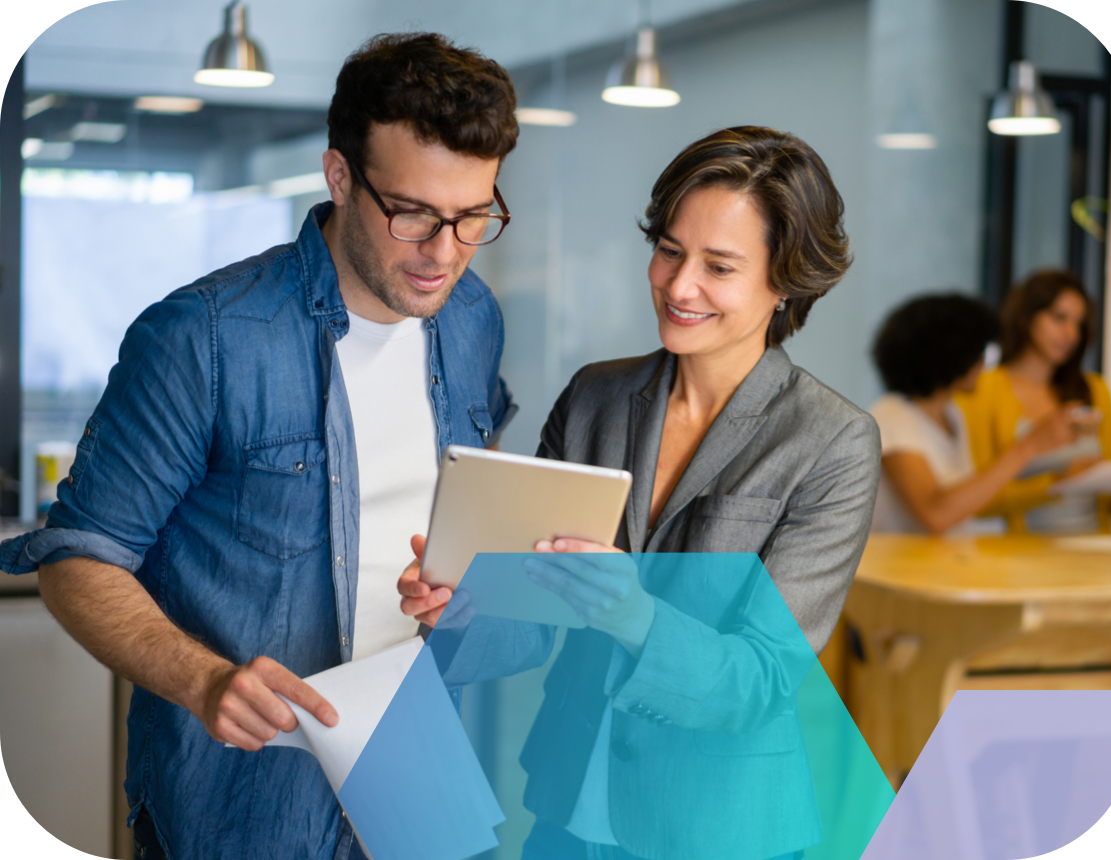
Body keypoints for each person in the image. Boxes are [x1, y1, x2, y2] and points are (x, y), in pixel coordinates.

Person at [0, 33, 519, 860]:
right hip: (245, 805)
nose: (444, 252)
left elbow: (459, 510)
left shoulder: (471, 318)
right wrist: (202, 680)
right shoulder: (202, 337)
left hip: (419, 780)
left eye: (473, 216)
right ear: (340, 176)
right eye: (414, 213)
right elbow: (76, 560)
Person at [402, 126, 882, 860]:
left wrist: (635, 614)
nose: (678, 285)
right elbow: (535, 616)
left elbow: (759, 679)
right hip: (569, 807)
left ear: (785, 281)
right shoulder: (595, 397)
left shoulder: (830, 441)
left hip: (717, 828)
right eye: (668, 250)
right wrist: (460, 610)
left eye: (719, 266)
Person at [869, 293, 1080, 534]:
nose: (983, 362)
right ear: (950, 354)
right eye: (978, 352)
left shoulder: (953, 415)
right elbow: (936, 513)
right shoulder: (892, 417)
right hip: (903, 569)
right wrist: (1029, 446)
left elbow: (968, 501)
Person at [956, 269, 1111, 533]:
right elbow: (976, 499)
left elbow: (1106, 498)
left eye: (1079, 324)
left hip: (1094, 550)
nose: (1071, 334)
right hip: (1018, 559)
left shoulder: (1095, 390)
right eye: (1059, 318)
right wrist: (1056, 482)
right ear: (1026, 318)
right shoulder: (983, 389)